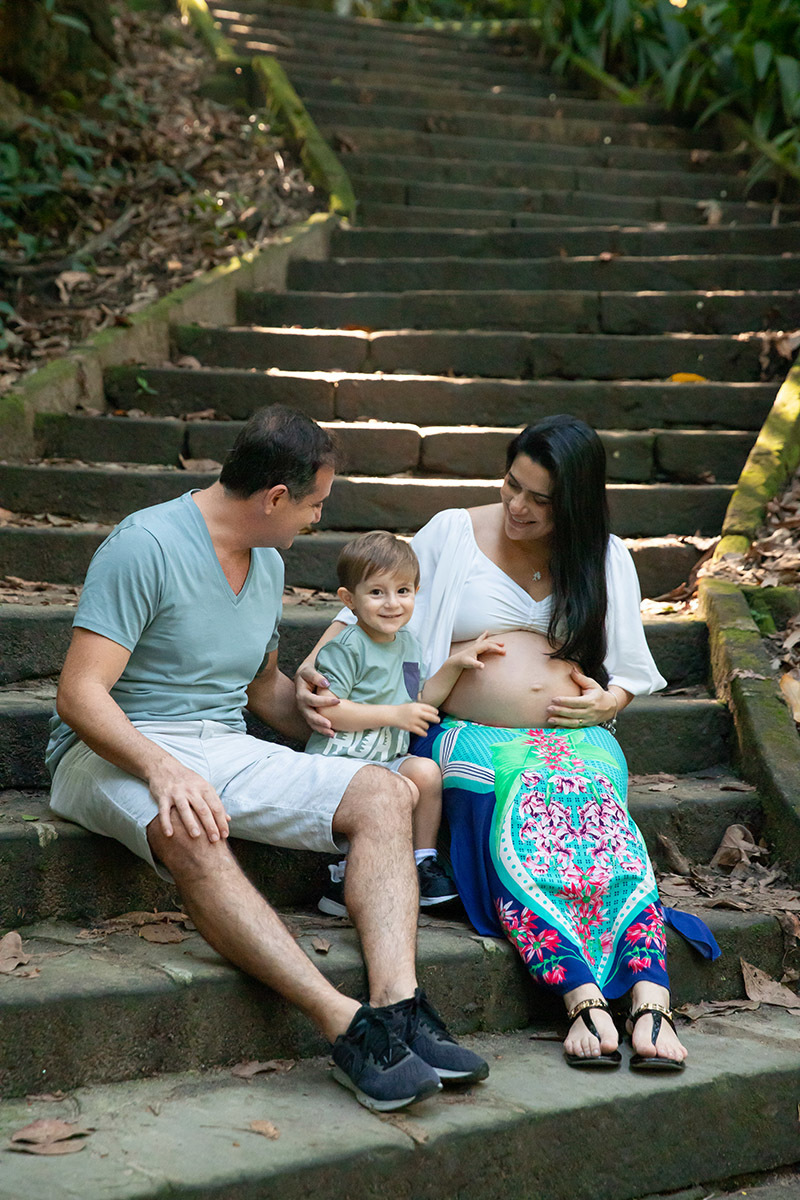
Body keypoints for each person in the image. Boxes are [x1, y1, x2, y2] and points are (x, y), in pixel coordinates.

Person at [45, 404, 489, 1112]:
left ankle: (399, 1007)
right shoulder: (145, 545)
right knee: (192, 824)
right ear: (275, 498)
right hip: (112, 747)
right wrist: (162, 767)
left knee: (385, 792)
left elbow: (262, 695)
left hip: (222, 743)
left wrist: (306, 701)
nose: (317, 519)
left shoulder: (268, 563)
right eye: (314, 504)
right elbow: (79, 694)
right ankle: (345, 1028)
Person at [298, 414, 700, 1073]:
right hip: (466, 733)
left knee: (600, 820)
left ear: (572, 503)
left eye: (540, 499)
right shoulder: (454, 533)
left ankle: (652, 991)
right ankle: (581, 995)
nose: (518, 506)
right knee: (521, 822)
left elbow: (630, 671)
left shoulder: (603, 554)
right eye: (512, 485)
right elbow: (358, 615)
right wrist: (315, 677)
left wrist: (608, 701)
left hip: (574, 737)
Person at [305, 529, 504, 915]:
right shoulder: (345, 647)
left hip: (387, 757)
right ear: (349, 599)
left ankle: (421, 861)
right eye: (377, 592)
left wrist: (453, 665)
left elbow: (417, 700)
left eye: (403, 591)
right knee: (376, 795)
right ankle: (345, 876)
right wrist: (395, 715)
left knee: (426, 772)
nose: (392, 603)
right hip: (343, 762)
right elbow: (329, 710)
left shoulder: (409, 644)